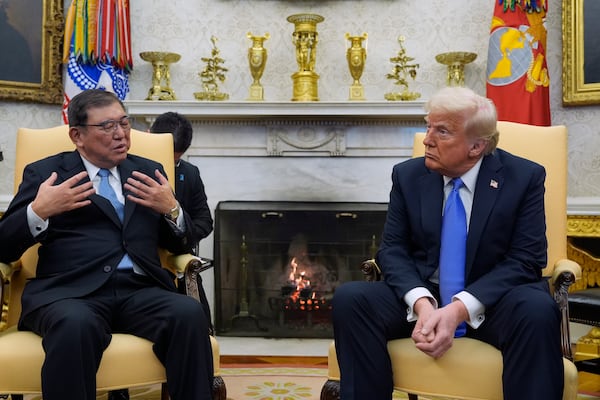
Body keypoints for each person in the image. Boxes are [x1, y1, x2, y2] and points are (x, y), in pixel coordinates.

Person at [332, 86, 563, 400]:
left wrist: (459, 309)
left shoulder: (523, 178)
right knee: (352, 298)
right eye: (428, 126)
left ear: (476, 146)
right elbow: (392, 250)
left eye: (442, 131)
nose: (427, 139)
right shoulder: (407, 176)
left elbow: (525, 259)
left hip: (494, 302)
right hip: (428, 294)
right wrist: (422, 304)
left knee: (537, 309)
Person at [0, 89, 214, 400]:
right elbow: (4, 246)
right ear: (77, 135)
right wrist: (39, 210)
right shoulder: (48, 173)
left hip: (139, 291)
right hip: (69, 292)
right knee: (76, 325)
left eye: (124, 124)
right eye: (107, 127)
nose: (121, 135)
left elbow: (180, 244)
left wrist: (172, 209)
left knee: (188, 314)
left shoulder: (148, 171)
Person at [149, 111, 213, 252]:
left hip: (176, 254)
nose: (167, 166)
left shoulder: (190, 173)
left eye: (175, 161)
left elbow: (205, 221)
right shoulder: (126, 166)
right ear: (149, 135)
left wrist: (183, 238)